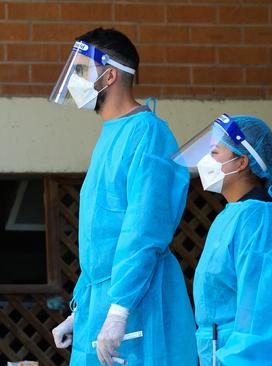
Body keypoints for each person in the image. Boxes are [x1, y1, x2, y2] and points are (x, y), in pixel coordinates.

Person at [48, 28, 197, 365]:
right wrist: (81, 310)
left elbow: (144, 227)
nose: (74, 79)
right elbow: (98, 241)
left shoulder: (148, 133)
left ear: (110, 74)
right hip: (102, 302)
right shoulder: (111, 135)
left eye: (82, 69)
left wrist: (119, 309)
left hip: (137, 303)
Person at [172, 113, 272, 365]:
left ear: (242, 162)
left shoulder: (258, 220)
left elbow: (261, 316)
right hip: (225, 352)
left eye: (215, 153)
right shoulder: (234, 215)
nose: (205, 161)